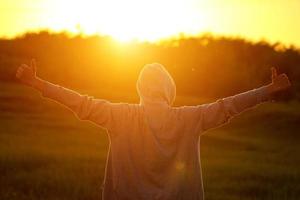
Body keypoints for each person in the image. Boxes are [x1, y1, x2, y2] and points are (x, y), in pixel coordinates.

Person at [16, 59, 291, 200]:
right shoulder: (188, 118)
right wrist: (267, 90)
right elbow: (227, 106)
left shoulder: (119, 115)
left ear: (140, 88)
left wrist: (37, 82)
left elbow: (78, 101)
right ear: (169, 89)